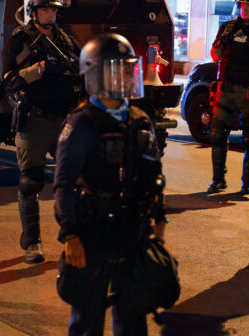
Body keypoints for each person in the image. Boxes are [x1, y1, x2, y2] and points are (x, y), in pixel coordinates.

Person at [54, 33, 168, 336]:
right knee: (87, 318)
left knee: (133, 316)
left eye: (127, 68)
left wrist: (159, 217)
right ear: (94, 74)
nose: (124, 75)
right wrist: (70, 234)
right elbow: (63, 184)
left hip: (133, 231)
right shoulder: (80, 123)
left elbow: (154, 173)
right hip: (92, 233)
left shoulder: (139, 118)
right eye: (114, 68)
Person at [2, 0, 80, 263]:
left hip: (64, 118)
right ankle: (32, 242)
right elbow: (9, 81)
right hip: (34, 119)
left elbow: (82, 67)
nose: (50, 14)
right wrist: (41, 69)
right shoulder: (20, 41)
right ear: (34, 12)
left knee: (73, 180)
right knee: (31, 183)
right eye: (45, 9)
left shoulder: (66, 39)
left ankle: (74, 238)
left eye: (54, 10)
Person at [208, 0, 249, 194]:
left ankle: (248, 182)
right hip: (225, 88)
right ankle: (218, 180)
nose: (244, 9)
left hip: (248, 91)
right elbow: (215, 56)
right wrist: (220, 43)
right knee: (217, 135)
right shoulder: (228, 28)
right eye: (242, 5)